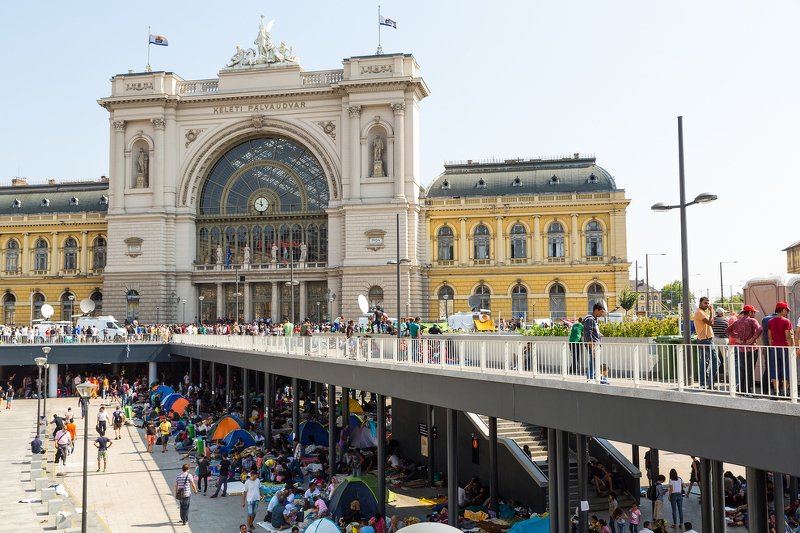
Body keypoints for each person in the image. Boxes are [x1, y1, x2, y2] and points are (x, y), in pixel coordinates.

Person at [726, 305, 763, 394]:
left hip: (741, 349)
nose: (754, 314)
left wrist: (737, 338)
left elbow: (727, 330)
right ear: (750, 312)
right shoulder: (752, 320)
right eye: (753, 312)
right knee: (750, 370)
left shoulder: (738, 322)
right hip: (751, 348)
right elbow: (760, 329)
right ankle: (748, 390)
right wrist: (752, 339)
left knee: (743, 369)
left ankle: (742, 388)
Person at [767, 301, 794, 396]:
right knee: (786, 368)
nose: (787, 313)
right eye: (786, 310)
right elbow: (787, 336)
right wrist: (791, 347)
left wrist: (771, 347)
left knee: (774, 369)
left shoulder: (770, 321)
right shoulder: (787, 321)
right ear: (783, 310)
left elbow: (769, 337)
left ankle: (776, 390)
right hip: (785, 348)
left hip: (774, 347)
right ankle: (785, 391)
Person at [693, 296, 718, 388]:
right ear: (700, 303)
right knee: (716, 361)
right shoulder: (700, 312)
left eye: (708, 303)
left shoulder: (701, 312)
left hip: (704, 339)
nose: (707, 305)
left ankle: (704, 383)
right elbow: (711, 323)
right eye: (705, 303)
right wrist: (712, 311)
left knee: (704, 362)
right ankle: (709, 383)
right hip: (706, 340)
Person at [583, 303, 605, 382]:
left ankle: (594, 376)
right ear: (596, 310)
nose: (602, 314)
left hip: (596, 344)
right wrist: (592, 348)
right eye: (601, 312)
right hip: (593, 345)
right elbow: (588, 334)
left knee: (594, 361)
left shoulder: (595, 319)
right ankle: (590, 378)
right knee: (592, 361)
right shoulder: (590, 319)